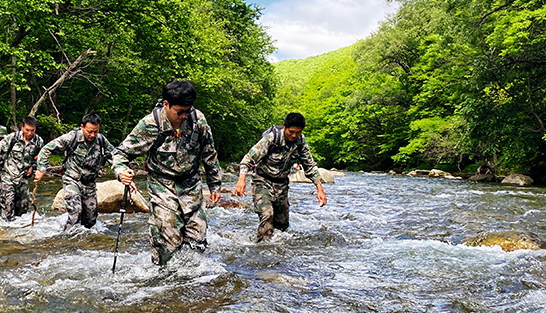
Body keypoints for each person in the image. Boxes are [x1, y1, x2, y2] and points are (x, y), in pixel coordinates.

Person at [112, 80, 222, 265]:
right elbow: (120, 152)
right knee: (168, 234)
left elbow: (209, 153)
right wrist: (121, 171)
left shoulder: (198, 120)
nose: (184, 116)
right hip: (161, 183)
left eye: (188, 110)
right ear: (166, 105)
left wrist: (215, 185)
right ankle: (163, 278)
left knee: (197, 238)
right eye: (180, 112)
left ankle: (193, 281)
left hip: (191, 183)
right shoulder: (150, 125)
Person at [232, 112, 327, 241]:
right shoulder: (272, 139)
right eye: (291, 132)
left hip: (282, 185)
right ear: (284, 127)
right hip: (262, 181)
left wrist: (319, 189)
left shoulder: (300, 142)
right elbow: (248, 159)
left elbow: (309, 166)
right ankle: (262, 248)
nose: (294, 135)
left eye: (298, 132)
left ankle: (276, 251)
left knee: (282, 225)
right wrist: (241, 180)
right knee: (267, 214)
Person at [35, 113, 115, 230]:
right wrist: (42, 169)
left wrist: (122, 171)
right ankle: (65, 238)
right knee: (75, 211)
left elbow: (115, 155)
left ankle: (85, 243)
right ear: (82, 127)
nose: (92, 135)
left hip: (89, 183)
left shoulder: (101, 140)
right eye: (89, 131)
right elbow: (46, 149)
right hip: (72, 180)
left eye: (95, 132)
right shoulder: (71, 137)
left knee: (90, 220)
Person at [0, 116, 43, 220]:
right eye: (27, 130)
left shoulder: (38, 141)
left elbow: (38, 158)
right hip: (8, 176)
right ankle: (6, 228)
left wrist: (33, 167)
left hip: (23, 179)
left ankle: (19, 230)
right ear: (22, 127)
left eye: (32, 130)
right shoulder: (12, 138)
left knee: (23, 208)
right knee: (8, 204)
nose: (30, 133)